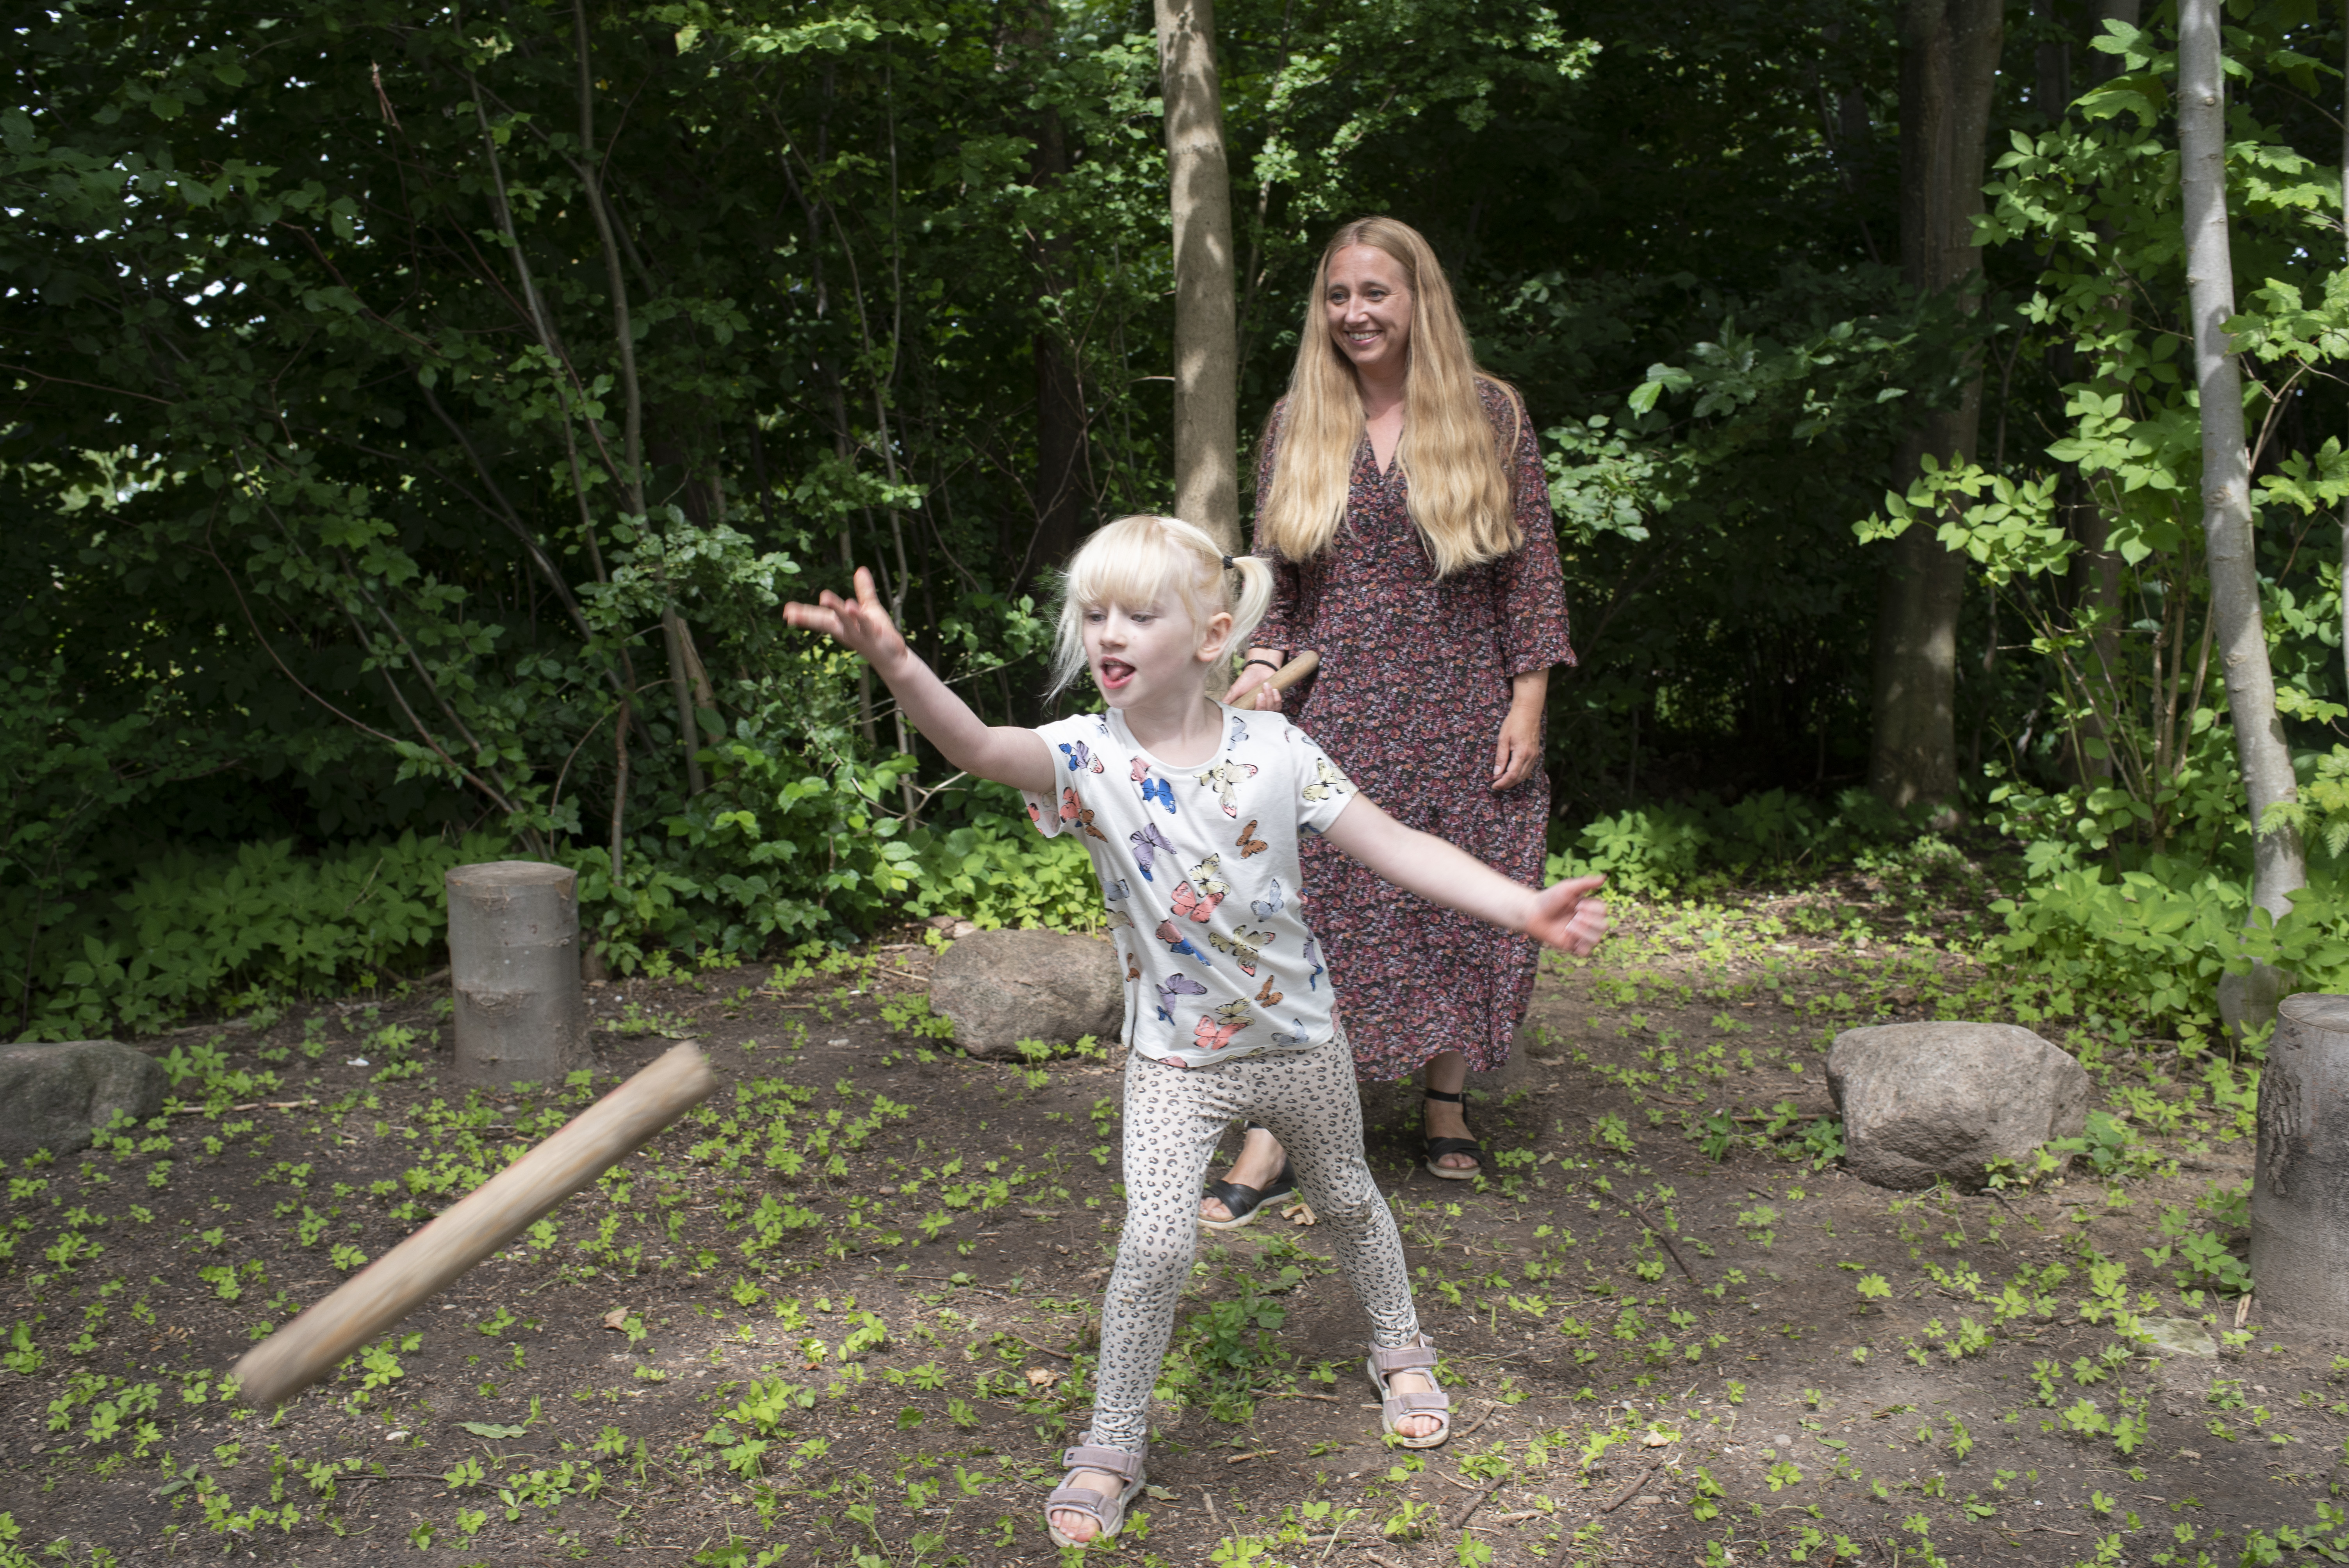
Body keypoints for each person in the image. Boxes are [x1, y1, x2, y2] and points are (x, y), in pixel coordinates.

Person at [784, 514, 1606, 1546]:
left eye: (1138, 613)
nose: (1108, 634)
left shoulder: (1278, 747)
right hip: (1176, 1063)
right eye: (1093, 615)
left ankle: (1399, 1345)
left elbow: (1393, 844)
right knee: (1158, 1241)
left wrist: (1519, 906)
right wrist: (899, 664)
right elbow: (978, 747)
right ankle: (1112, 1439)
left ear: (1214, 637)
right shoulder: (1084, 756)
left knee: (1351, 1196)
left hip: (1304, 1041)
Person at [1202, 215, 1576, 1224]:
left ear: (1417, 300)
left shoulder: (1490, 412)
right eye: (1338, 295)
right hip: (1341, 709)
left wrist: (1529, 694)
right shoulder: (1297, 421)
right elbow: (1277, 580)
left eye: (1375, 293)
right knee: (1311, 913)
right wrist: (1266, 663)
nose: (1356, 313)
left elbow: (1531, 566)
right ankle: (1277, 1134)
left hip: (1465, 703)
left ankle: (1445, 1100)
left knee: (1460, 900)